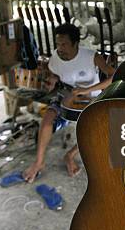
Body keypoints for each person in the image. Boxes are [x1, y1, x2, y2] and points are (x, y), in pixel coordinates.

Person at [23, 23, 115, 182]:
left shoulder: (90, 56)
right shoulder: (55, 58)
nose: (60, 48)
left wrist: (87, 89)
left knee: (97, 130)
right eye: (58, 44)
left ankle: (70, 155)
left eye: (64, 44)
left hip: (92, 97)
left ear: (76, 43)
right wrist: (53, 80)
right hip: (68, 96)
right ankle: (39, 162)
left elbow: (113, 76)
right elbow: (55, 73)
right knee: (48, 117)